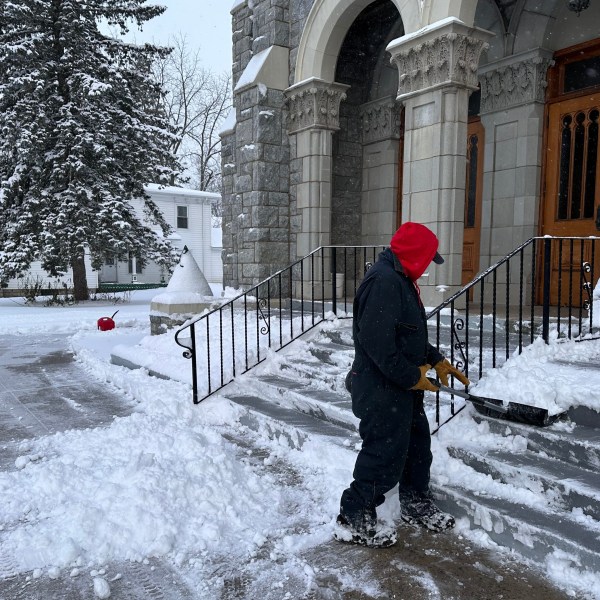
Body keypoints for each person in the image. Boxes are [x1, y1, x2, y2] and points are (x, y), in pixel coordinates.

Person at [334, 222, 469, 548]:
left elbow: (404, 334)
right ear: (413, 255)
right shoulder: (384, 282)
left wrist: (435, 359)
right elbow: (378, 344)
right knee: (384, 453)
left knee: (416, 445)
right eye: (426, 260)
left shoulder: (400, 279)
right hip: (381, 389)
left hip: (399, 388)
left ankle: (414, 501)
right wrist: (413, 376)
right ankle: (352, 517)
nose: (426, 268)